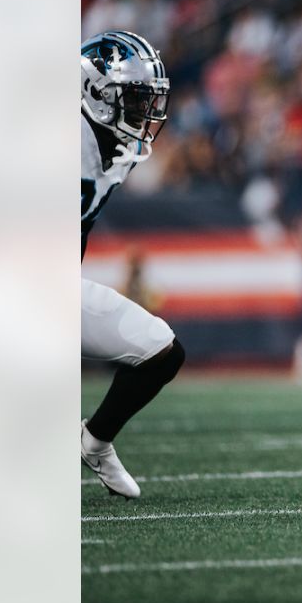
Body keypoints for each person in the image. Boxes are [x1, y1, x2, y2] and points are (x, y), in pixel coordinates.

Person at [80, 31, 185, 498]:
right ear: (98, 94)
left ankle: (95, 441)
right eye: (136, 99)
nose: (145, 113)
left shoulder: (117, 144)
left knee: (163, 351)